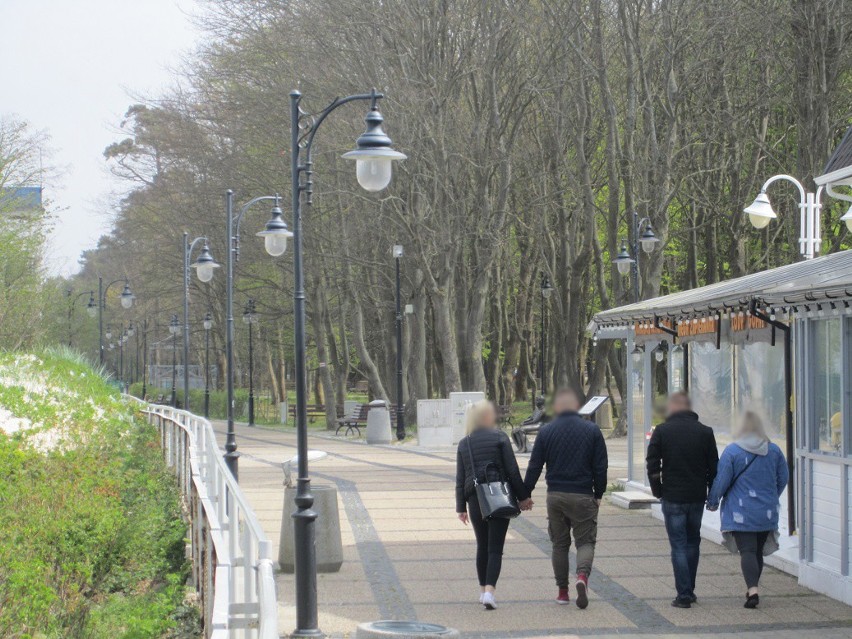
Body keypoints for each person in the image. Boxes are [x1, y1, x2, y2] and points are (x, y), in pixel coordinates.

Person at [524, 388, 608, 609]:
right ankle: (582, 576)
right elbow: (600, 467)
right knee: (585, 541)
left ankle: (562, 592)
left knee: (559, 544)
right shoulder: (592, 431)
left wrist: (524, 494)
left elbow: (535, 466)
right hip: (582, 495)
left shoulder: (547, 431)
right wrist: (599, 493)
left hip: (555, 496)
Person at [706, 411, 788, 609]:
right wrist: (770, 496)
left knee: (748, 551)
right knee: (757, 551)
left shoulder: (733, 451)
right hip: (766, 510)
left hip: (740, 511)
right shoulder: (774, 450)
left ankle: (753, 590)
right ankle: (754, 587)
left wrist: (713, 500)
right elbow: (783, 477)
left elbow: (722, 480)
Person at [455, 400, 533, 610]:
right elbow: (512, 471)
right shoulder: (499, 437)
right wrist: (524, 496)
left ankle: (482, 592)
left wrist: (460, 507)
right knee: (495, 548)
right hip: (497, 495)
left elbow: (461, 478)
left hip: (474, 499)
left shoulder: (465, 443)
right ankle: (490, 591)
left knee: (482, 545)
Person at [646, 391, 719, 609]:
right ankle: (690, 589)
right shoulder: (705, 432)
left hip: (673, 495)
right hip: (696, 496)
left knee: (678, 544)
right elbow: (714, 467)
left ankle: (684, 594)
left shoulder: (663, 431)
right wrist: (711, 492)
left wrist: (658, 490)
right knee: (692, 541)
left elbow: (652, 463)